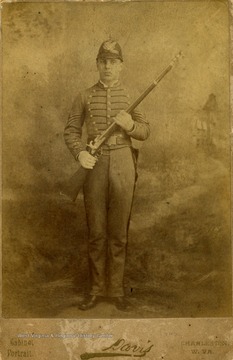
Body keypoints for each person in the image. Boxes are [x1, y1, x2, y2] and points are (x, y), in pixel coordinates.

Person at [64, 39, 150, 311]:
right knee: (97, 232)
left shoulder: (131, 95)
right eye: (103, 62)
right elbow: (71, 131)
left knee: (118, 233)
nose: (108, 67)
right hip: (95, 166)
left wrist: (131, 125)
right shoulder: (84, 95)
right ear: (97, 65)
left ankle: (116, 290)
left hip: (124, 163)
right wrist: (80, 154)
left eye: (113, 62)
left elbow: (145, 131)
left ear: (121, 66)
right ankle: (96, 289)